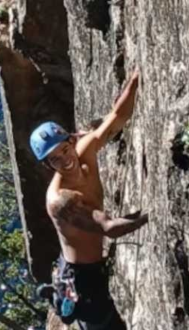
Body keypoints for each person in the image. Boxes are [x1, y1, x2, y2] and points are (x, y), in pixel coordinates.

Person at [30, 71, 148, 329]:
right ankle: (57, 296)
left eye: (64, 149)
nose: (65, 160)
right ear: (48, 165)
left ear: (72, 140)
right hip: (83, 280)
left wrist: (136, 80)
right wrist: (152, 214)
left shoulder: (85, 149)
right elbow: (107, 227)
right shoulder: (60, 200)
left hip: (93, 265)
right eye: (55, 159)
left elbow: (118, 118)